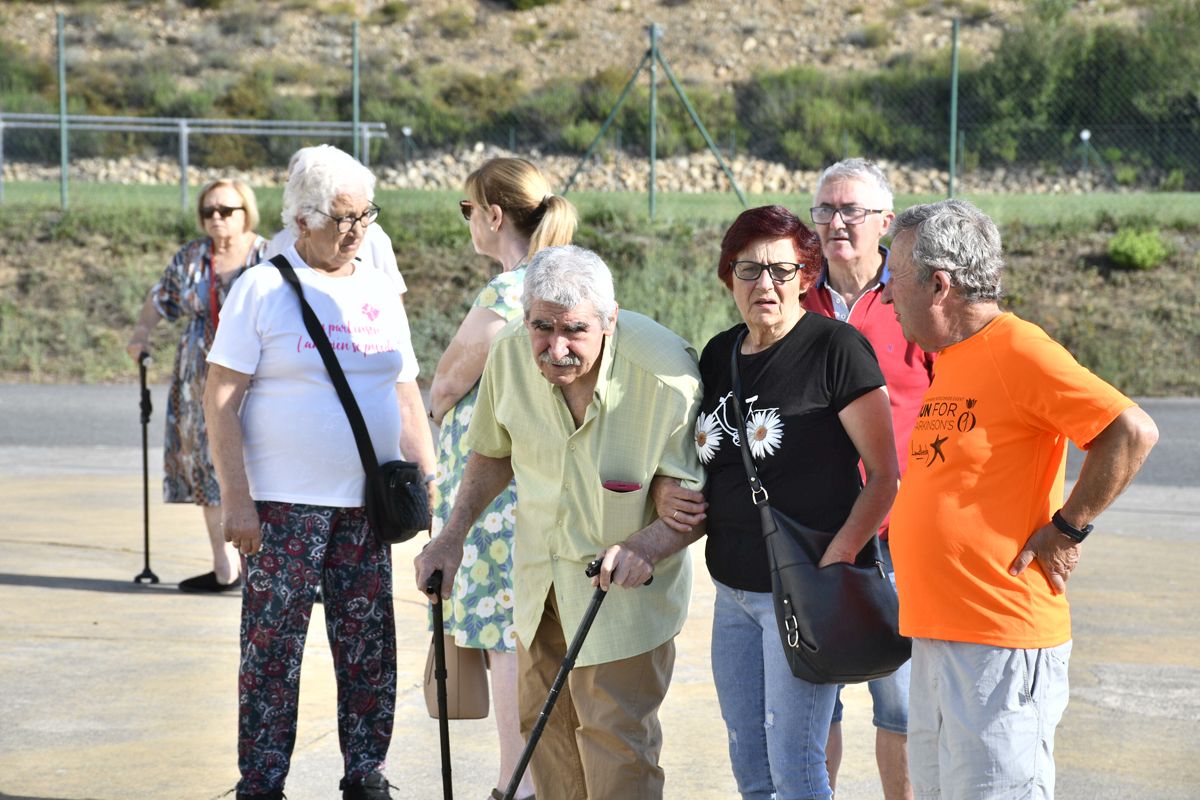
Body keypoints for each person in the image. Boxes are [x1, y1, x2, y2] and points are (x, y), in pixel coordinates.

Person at [881, 199, 1158, 800]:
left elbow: (1130, 431)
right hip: (939, 635)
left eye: (892, 277)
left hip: (1000, 642)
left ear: (939, 284)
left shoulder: (1018, 349)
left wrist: (1069, 528)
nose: (884, 293)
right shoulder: (952, 359)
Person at [414, 244, 705, 800]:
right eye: (541, 327)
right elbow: (493, 451)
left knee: (616, 745)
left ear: (609, 320)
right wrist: (451, 538)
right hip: (538, 583)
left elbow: (691, 505)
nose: (556, 347)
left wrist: (648, 543)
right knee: (542, 737)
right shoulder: (507, 355)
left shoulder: (666, 375)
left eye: (575, 330)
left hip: (619, 596)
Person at [203, 145, 436, 800]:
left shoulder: (377, 287)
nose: (358, 230)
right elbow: (220, 394)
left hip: (367, 507)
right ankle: (263, 783)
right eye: (343, 218)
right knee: (272, 655)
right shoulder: (262, 287)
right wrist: (236, 500)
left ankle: (366, 776)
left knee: (369, 653)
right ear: (301, 220)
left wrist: (427, 476)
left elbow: (404, 388)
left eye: (366, 214)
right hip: (282, 509)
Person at [668, 205, 899, 800]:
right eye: (748, 271)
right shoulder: (719, 355)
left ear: (805, 274)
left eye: (780, 270)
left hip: (803, 592)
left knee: (796, 768)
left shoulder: (835, 349)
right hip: (733, 594)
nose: (764, 285)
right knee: (750, 765)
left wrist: (840, 556)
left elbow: (883, 475)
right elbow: (707, 459)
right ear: (728, 278)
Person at [427, 157, 577, 800]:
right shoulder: (560, 285)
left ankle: (516, 782)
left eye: (469, 210)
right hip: (535, 485)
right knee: (527, 635)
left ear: (493, 214)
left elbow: (447, 381)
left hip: (494, 499)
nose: (469, 223)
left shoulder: (507, 294)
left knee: (504, 638)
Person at [805, 159, 933, 800]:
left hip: (898, 533)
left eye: (851, 210)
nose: (835, 223)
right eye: (824, 210)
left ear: (885, 220)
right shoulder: (795, 297)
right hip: (810, 532)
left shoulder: (918, 296)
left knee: (903, 705)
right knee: (814, 701)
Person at [125, 178, 269, 593]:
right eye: (209, 211)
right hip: (197, 375)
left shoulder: (267, 255)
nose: (217, 219)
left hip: (257, 371)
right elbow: (161, 297)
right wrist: (141, 333)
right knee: (206, 464)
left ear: (246, 212)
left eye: (226, 210)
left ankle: (265, 565)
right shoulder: (191, 256)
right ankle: (225, 567)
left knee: (262, 462)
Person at [264, 145, 408, 298]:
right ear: (304, 221)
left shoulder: (374, 243)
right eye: (345, 219)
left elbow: (394, 299)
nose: (357, 232)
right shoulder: (278, 246)